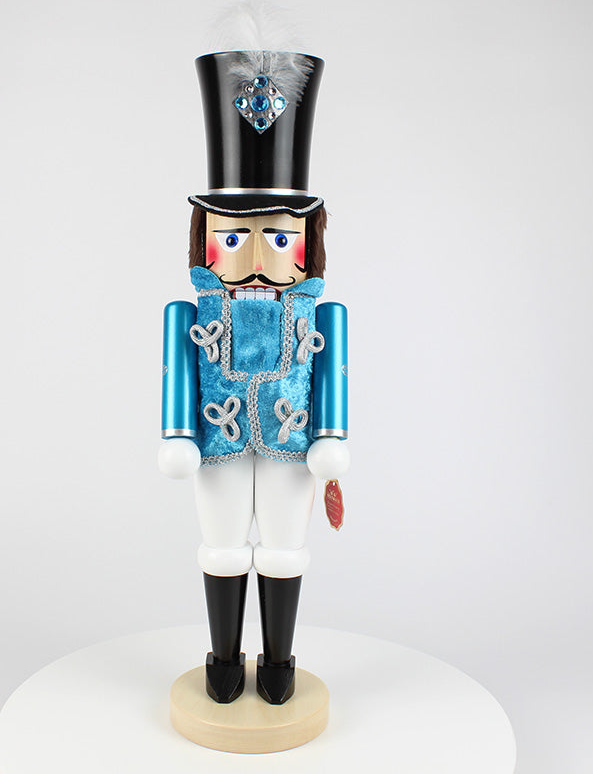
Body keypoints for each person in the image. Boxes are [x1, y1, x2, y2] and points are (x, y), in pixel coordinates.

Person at [159, 49, 349, 705]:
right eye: (236, 238)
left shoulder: (323, 315)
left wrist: (331, 436)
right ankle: (222, 655)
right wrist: (178, 434)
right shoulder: (188, 313)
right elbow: (179, 373)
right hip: (218, 444)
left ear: (308, 241)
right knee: (220, 544)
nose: (261, 254)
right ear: (205, 237)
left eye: (280, 237)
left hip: (293, 446)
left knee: (284, 546)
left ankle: (279, 658)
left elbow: (331, 377)